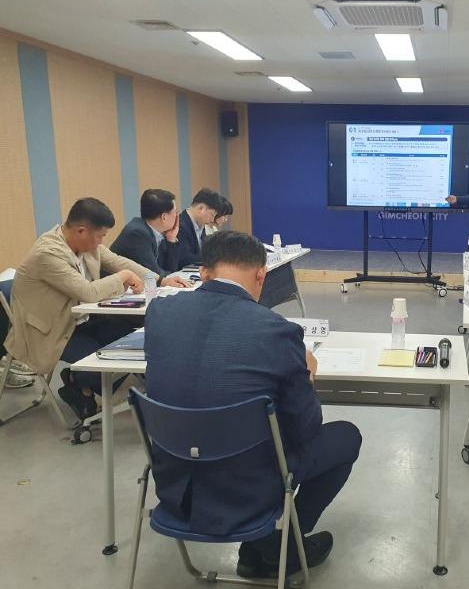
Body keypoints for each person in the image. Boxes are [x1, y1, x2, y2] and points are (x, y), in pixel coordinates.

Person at [145, 230, 362, 579]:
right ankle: (279, 547)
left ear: (204, 272)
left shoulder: (159, 313)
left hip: (177, 485)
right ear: (261, 275)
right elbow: (306, 427)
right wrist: (305, 372)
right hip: (249, 488)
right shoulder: (276, 331)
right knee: (346, 437)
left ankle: (264, 547)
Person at [3, 198, 184, 420]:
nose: (101, 242)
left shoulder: (86, 244)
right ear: (81, 231)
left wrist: (159, 280)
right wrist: (124, 277)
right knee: (106, 362)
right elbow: (87, 292)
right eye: (100, 236)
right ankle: (80, 383)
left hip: (80, 320)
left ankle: (80, 383)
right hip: (51, 331)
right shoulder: (47, 254)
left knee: (135, 341)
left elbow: (119, 261)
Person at [111, 189, 187, 277]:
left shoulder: (157, 232)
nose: (177, 215)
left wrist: (171, 239)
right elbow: (154, 274)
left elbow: (170, 270)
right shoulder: (137, 233)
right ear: (164, 217)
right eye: (175, 211)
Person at [177, 188, 223, 267]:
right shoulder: (181, 225)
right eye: (212, 215)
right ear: (201, 208)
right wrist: (215, 259)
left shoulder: (200, 224)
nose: (212, 220)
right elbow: (184, 259)